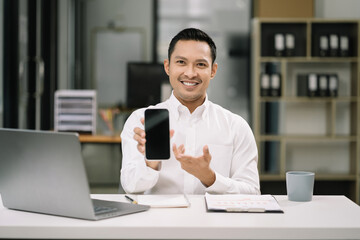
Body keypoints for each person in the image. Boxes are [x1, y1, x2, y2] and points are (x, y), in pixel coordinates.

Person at [120, 28, 260, 195]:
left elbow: (252, 192)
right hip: (159, 221)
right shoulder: (139, 121)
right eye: (181, 62)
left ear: (213, 70)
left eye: (200, 64)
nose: (190, 73)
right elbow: (130, 187)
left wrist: (210, 178)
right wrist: (151, 164)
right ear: (167, 67)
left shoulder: (236, 126)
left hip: (214, 221)